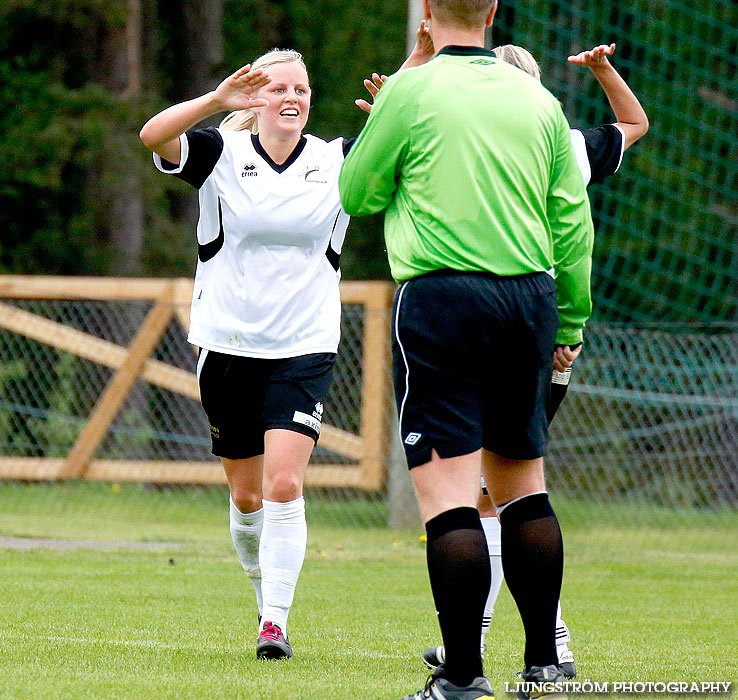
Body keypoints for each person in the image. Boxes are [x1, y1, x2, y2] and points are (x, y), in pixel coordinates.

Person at [340, 1, 595, 698]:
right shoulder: (536, 99)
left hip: (444, 298)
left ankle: (461, 677)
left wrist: (396, 103)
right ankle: (544, 665)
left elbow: (356, 192)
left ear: (425, 12)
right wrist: (569, 319)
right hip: (529, 301)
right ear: (491, 10)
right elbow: (570, 219)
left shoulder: (411, 91)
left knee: (450, 497)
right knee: (523, 488)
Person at [408, 41, 649, 680]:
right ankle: (523, 646)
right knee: (508, 491)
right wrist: (601, 70)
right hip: (534, 319)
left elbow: (575, 225)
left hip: (481, 316)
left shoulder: (498, 144)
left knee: (488, 493)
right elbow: (631, 127)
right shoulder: (560, 139)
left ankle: (518, 644)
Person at [139, 49, 352, 660]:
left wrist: (411, 72)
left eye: (302, 89)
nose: (292, 98)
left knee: (285, 482)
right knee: (248, 496)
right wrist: (215, 101)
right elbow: (154, 134)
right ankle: (265, 592)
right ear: (257, 97)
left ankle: (275, 622)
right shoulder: (219, 154)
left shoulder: (336, 160)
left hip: (305, 346)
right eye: (279, 87)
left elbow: (400, 151)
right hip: (228, 346)